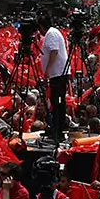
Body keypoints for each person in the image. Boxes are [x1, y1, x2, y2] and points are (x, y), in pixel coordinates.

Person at [39, 11, 69, 140]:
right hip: (57, 74)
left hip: (58, 74)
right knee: (57, 102)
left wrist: (46, 70)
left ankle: (58, 129)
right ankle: (56, 128)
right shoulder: (54, 32)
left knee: (58, 102)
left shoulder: (51, 33)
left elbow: (54, 52)